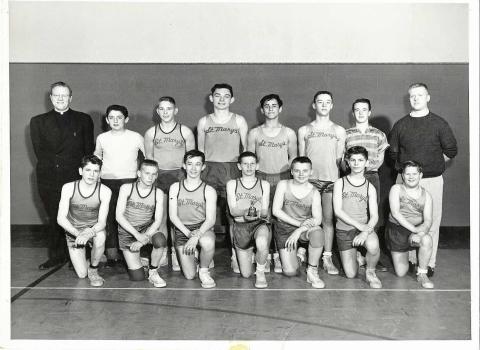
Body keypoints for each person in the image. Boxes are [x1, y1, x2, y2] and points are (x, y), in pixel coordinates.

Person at [388, 83, 457, 277]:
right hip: (404, 180)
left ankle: (428, 263)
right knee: (404, 221)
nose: (416, 99)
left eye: (420, 95)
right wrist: (408, 173)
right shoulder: (401, 124)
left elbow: (451, 151)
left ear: (428, 97)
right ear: (408, 99)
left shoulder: (439, 123)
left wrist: (431, 165)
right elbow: (393, 154)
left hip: (431, 180)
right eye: (412, 96)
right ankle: (410, 260)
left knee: (431, 222)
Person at [30, 81, 94, 269]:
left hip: (74, 176)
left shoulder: (83, 119)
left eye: (64, 95)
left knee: (78, 216)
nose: (60, 98)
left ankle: (78, 255)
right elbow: (39, 151)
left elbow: (87, 150)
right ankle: (56, 256)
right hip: (49, 177)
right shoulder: (38, 121)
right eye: (56, 95)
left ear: (70, 98)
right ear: (50, 98)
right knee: (54, 216)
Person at [197, 83, 248, 274]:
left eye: (226, 96)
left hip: (231, 170)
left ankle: (236, 256)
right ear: (211, 98)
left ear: (232, 99)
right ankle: (205, 255)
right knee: (204, 214)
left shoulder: (239, 121)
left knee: (233, 216)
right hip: (209, 169)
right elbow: (200, 151)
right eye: (217, 95)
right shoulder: (204, 122)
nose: (221, 99)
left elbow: (247, 150)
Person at [247, 94, 297, 273]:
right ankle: (265, 256)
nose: (270, 109)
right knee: (264, 217)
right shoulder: (254, 133)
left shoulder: (289, 133)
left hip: (282, 177)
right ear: (262, 110)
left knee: (281, 217)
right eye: (267, 106)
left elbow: (294, 160)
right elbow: (249, 160)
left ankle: (278, 255)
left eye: (274, 105)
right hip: (261, 178)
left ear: (280, 109)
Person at [144, 96, 195, 271]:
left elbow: (192, 159)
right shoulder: (151, 133)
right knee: (162, 217)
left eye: (169, 108)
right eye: (162, 109)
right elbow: (148, 160)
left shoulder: (185, 131)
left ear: (175, 110)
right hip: (159, 176)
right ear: (157, 111)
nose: (165, 112)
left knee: (179, 217)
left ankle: (179, 252)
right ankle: (163, 252)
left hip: (179, 175)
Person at [298, 90, 346, 275]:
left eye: (328, 102)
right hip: (309, 182)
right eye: (320, 101)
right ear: (314, 105)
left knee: (327, 220)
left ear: (332, 105)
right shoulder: (305, 130)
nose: (324, 105)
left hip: (330, 182)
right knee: (306, 219)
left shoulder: (339, 130)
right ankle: (303, 250)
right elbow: (301, 159)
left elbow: (339, 161)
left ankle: (326, 256)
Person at [94, 104, 145, 267]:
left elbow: (147, 159)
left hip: (129, 182)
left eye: (119, 117)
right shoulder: (102, 138)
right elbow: (97, 158)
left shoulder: (136, 137)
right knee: (109, 218)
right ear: (107, 120)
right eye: (112, 118)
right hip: (107, 182)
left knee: (128, 218)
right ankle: (112, 254)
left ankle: (130, 252)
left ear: (126, 119)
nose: (115, 121)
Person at [344, 98, 389, 271]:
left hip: (371, 177)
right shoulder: (346, 134)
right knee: (350, 212)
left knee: (372, 213)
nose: (361, 113)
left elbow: (379, 160)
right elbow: (343, 160)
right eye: (357, 110)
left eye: (364, 109)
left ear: (369, 112)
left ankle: (372, 254)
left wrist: (362, 169)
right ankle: (353, 253)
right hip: (350, 178)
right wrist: (353, 172)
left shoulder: (379, 134)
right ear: (353, 113)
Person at [57, 155, 111, 286]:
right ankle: (97, 256)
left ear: (100, 173)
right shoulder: (68, 187)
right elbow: (60, 218)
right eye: (88, 170)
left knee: (100, 238)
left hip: (93, 229)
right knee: (81, 275)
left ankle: (93, 269)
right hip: (74, 231)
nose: (91, 174)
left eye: (96, 171)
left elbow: (102, 222)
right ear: (81, 171)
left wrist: (89, 233)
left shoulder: (105, 191)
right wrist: (78, 234)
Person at [272, 156, 326, 289]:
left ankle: (312, 271)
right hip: (285, 227)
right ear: (291, 171)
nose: (301, 174)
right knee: (290, 272)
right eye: (297, 171)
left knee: (318, 233)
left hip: (304, 229)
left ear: (311, 172)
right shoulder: (283, 185)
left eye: (305, 171)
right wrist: (299, 225)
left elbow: (318, 219)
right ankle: (298, 256)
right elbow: (276, 211)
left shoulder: (314, 192)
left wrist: (300, 230)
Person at [332, 146, 382, 288]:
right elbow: (338, 211)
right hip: (344, 230)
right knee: (350, 274)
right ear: (347, 162)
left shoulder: (370, 187)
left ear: (367, 163)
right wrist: (359, 226)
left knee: (373, 246)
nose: (356, 163)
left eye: (360, 160)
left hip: (363, 229)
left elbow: (374, 216)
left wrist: (365, 232)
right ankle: (358, 258)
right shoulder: (340, 183)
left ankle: (371, 271)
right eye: (353, 160)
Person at [169, 150, 217, 288]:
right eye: (190, 164)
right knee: (189, 276)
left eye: (198, 164)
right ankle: (197, 256)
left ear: (203, 167)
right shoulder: (175, 187)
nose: (193, 168)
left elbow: (210, 220)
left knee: (207, 242)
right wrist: (188, 235)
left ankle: (203, 270)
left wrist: (196, 236)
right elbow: (173, 216)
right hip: (182, 229)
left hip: (202, 227)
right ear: (184, 165)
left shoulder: (209, 190)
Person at [116, 159, 167, 288]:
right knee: (137, 278)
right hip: (127, 230)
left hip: (146, 228)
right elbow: (119, 216)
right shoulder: (126, 188)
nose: (150, 177)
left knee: (160, 240)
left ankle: (153, 270)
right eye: (147, 173)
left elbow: (157, 221)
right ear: (139, 173)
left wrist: (142, 240)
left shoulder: (158, 193)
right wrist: (136, 235)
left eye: (154, 174)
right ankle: (142, 260)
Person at [226, 152, 271, 288]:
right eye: (245, 164)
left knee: (262, 242)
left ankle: (260, 272)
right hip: (241, 226)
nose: (249, 167)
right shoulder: (232, 184)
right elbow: (233, 211)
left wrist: (254, 214)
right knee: (245, 274)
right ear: (239, 166)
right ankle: (250, 252)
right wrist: (246, 213)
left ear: (257, 166)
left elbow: (264, 211)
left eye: (252, 164)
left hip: (258, 224)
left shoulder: (264, 184)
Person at [386, 161, 434, 288]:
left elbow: (428, 220)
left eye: (414, 174)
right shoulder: (396, 189)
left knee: (427, 240)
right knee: (401, 273)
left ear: (421, 175)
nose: (411, 177)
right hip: (397, 230)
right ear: (402, 175)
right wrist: (414, 229)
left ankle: (422, 273)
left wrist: (420, 233)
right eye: (408, 174)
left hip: (416, 230)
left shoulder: (427, 195)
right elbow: (396, 213)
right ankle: (408, 257)